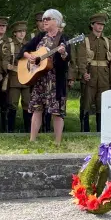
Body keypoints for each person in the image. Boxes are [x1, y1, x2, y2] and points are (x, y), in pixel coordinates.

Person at [20, 9, 71, 145]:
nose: (44, 21)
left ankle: (58, 141)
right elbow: (23, 50)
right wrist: (29, 56)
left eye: (48, 18)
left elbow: (66, 62)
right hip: (39, 79)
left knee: (56, 112)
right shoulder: (40, 36)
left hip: (55, 81)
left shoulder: (63, 39)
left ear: (56, 21)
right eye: (43, 19)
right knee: (37, 109)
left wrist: (63, 53)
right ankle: (32, 140)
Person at [75, 13, 111, 132]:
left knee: (102, 105)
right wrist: (84, 73)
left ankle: (101, 131)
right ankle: (85, 130)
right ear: (92, 25)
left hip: (104, 77)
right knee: (86, 104)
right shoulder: (85, 41)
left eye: (102, 24)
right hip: (90, 76)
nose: (100, 27)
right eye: (98, 24)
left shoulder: (108, 42)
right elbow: (81, 58)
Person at [1, 21, 31, 132]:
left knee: (27, 104)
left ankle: (28, 130)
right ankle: (10, 130)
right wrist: (17, 69)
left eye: (23, 31)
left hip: (27, 80)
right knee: (12, 104)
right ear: (14, 33)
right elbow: (4, 63)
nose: (22, 34)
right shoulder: (9, 45)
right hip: (14, 79)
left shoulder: (29, 45)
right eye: (19, 32)